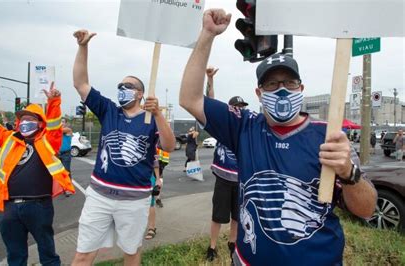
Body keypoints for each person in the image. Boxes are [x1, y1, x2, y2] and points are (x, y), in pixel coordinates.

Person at [179, 9, 377, 265]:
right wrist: (207, 35)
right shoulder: (244, 127)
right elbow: (189, 98)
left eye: (289, 83)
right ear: (259, 93)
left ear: (301, 88)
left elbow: (366, 209)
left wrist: (350, 174)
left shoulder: (328, 136)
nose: (281, 90)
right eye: (271, 85)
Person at [71, 29, 176, 265]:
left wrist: (158, 113)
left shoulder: (151, 119)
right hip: (99, 196)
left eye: (127, 85)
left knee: (131, 252)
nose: (122, 88)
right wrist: (83, 47)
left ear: (139, 93)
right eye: (120, 85)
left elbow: (169, 145)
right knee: (82, 254)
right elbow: (80, 83)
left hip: (134, 200)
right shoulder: (109, 110)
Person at [0, 83, 75, 266]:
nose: (26, 122)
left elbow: (54, 125)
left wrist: (53, 101)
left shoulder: (48, 140)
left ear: (40, 123)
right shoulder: (9, 139)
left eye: (31, 119)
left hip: (39, 206)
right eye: (23, 119)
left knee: (48, 254)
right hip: (8, 208)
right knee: (15, 256)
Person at [204, 66, 248, 262]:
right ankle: (212, 246)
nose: (240, 110)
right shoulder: (224, 127)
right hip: (223, 178)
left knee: (237, 217)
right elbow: (210, 103)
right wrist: (210, 80)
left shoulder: (246, 129)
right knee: (218, 216)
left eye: (242, 107)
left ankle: (232, 243)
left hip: (240, 181)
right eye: (236, 107)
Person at [145, 159, 162, 240]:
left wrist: (158, 179)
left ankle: (151, 228)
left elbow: (155, 161)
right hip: (131, 178)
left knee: (150, 202)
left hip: (147, 177)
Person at [60, 118, 74, 196]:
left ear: (65, 123)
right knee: (60, 172)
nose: (61, 123)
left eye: (63, 122)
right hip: (58, 154)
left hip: (66, 154)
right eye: (60, 122)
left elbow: (60, 130)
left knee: (66, 171)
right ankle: (63, 187)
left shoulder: (68, 130)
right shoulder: (57, 131)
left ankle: (68, 188)